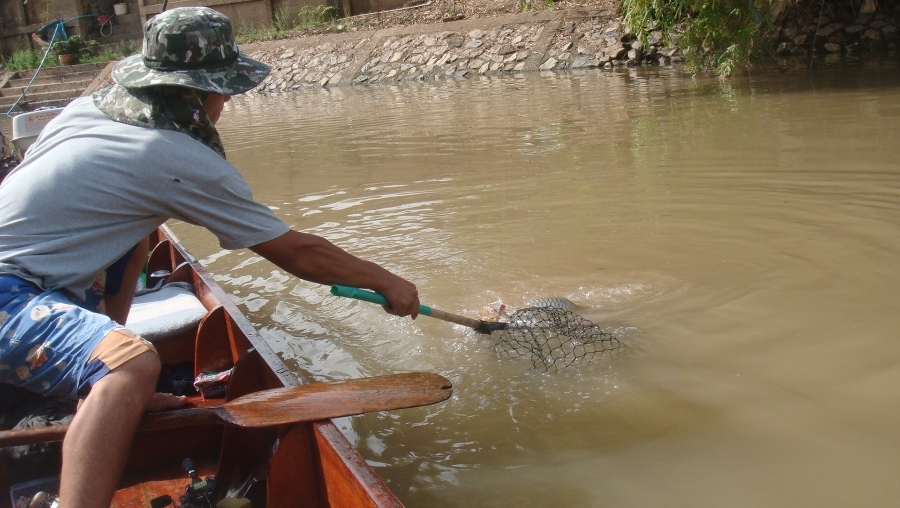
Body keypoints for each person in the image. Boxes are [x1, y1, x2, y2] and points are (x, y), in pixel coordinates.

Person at [0, 7, 419, 508]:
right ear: (205, 93)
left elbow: (110, 237)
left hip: (31, 282)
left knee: (131, 244)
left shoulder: (89, 109)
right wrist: (387, 281)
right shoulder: (173, 156)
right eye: (225, 91)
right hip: (12, 291)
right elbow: (296, 252)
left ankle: (102, 392)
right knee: (132, 363)